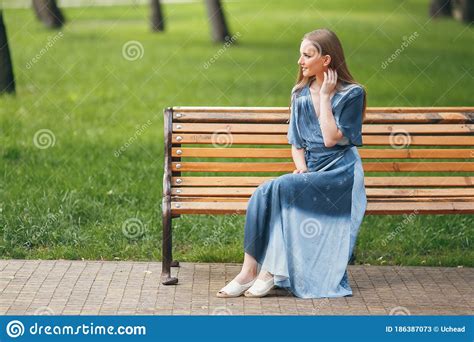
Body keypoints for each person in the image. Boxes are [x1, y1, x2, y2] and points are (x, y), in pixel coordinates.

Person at [217, 28, 368, 299]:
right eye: (301, 54)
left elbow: (332, 139)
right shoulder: (298, 93)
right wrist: (302, 168)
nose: (300, 61)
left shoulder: (352, 95)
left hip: (341, 176)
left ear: (326, 60)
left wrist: (324, 97)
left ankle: (270, 272)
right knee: (264, 191)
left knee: (283, 186)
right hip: (311, 172)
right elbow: (296, 142)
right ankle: (249, 270)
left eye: (307, 55)